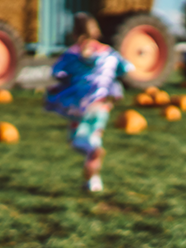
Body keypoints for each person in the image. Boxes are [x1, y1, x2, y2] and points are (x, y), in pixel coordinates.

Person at [45, 12, 132, 193]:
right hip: (102, 102)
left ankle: (90, 153)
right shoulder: (108, 52)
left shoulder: (72, 53)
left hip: (79, 105)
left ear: (74, 33)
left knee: (77, 140)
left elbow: (57, 72)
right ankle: (93, 182)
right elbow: (127, 67)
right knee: (95, 137)